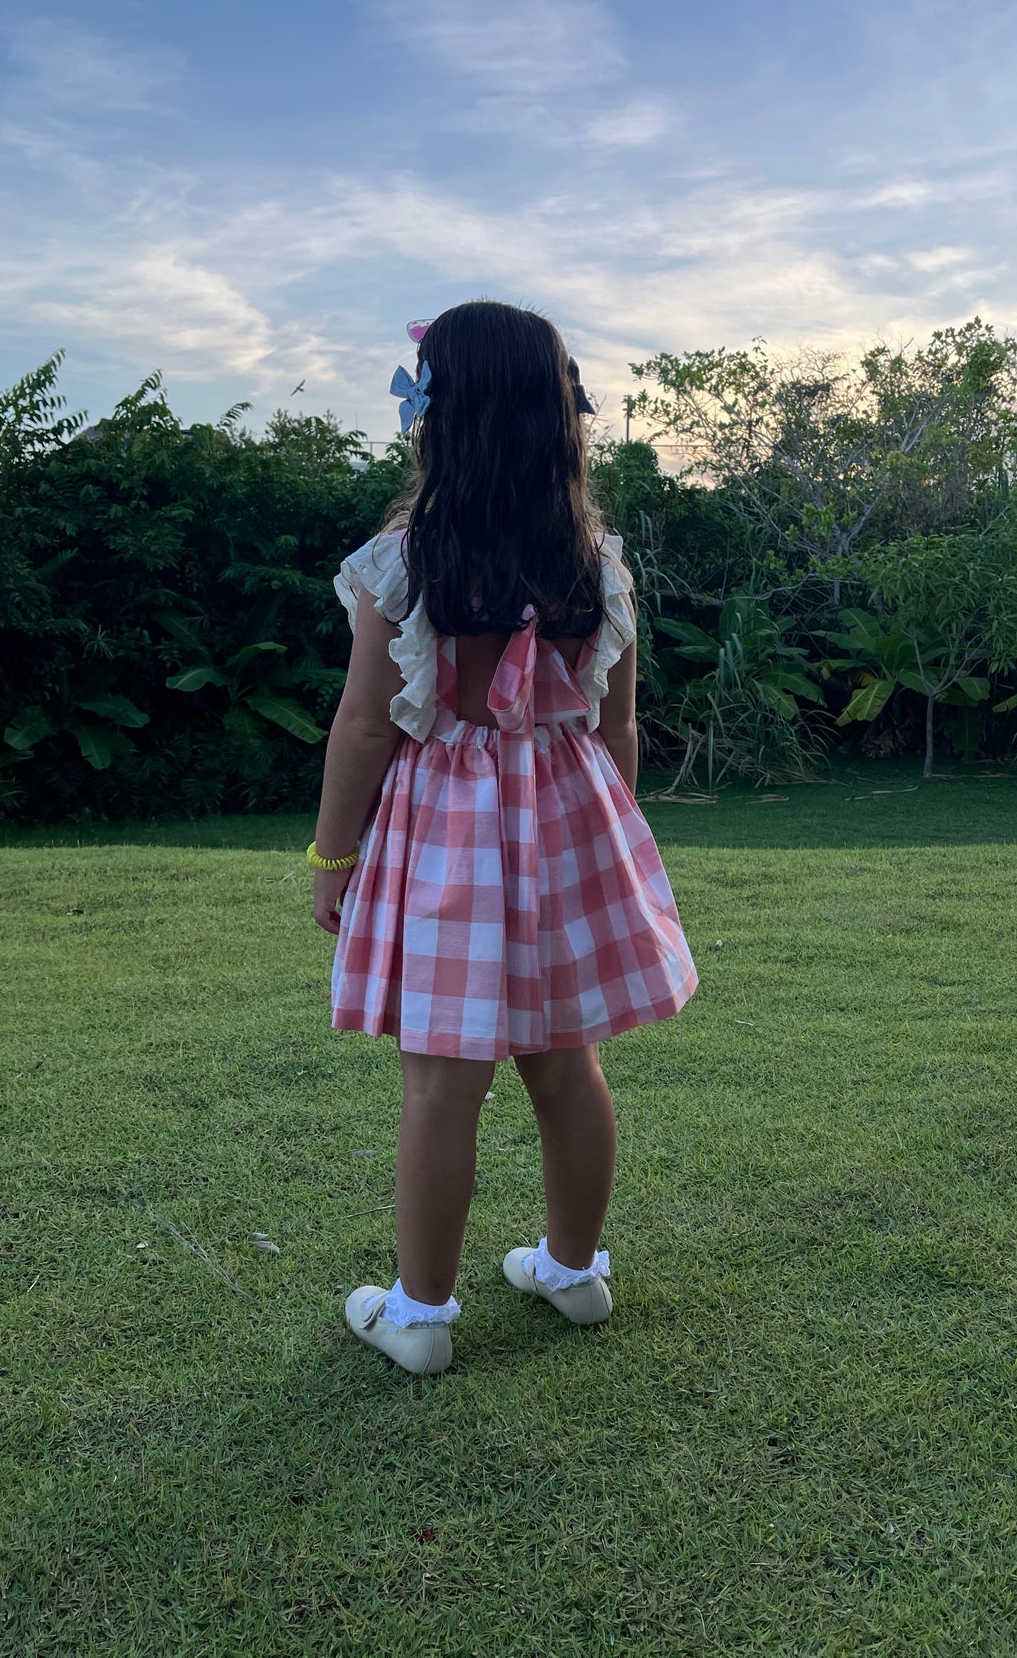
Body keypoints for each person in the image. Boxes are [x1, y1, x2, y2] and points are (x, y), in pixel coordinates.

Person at [311, 301, 697, 1374]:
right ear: (555, 417)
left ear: (440, 417)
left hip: (445, 833)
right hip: (568, 824)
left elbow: (362, 724)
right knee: (565, 1064)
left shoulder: (405, 563)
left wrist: (331, 855)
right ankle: (572, 1270)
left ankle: (419, 1313)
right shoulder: (597, 565)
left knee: (441, 1083)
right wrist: (604, 853)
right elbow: (614, 728)